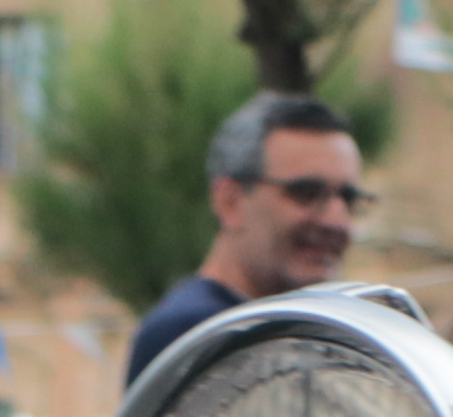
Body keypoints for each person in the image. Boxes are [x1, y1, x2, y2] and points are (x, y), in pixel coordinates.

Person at [126, 93, 370, 378]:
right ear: (229, 201)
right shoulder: (195, 334)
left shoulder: (299, 330)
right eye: (307, 193)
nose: (336, 221)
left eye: (348, 198)